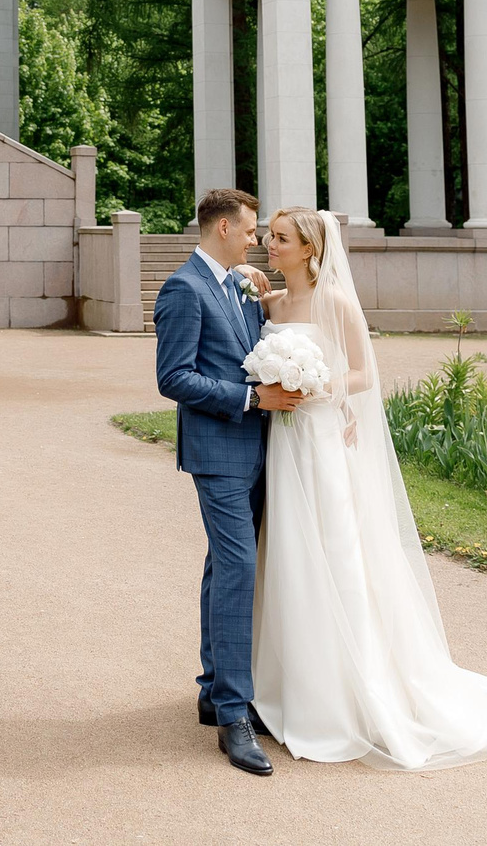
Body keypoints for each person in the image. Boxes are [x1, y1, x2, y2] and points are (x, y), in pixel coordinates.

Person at [245, 205, 487, 770]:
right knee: (289, 552)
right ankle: (293, 681)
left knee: (337, 552)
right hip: (283, 443)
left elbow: (363, 374)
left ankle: (355, 687)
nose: (269, 245)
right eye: (269, 237)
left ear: (309, 248)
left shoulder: (336, 301)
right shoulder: (273, 304)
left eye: (279, 239)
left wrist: (316, 383)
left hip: (323, 439)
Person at [151, 187, 306, 776]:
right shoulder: (183, 290)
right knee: (239, 566)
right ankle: (234, 714)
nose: (255, 239)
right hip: (218, 452)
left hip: (262, 447)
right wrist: (251, 397)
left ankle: (214, 688)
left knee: (227, 566)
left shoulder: (241, 285)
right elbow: (175, 378)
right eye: (248, 229)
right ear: (222, 229)